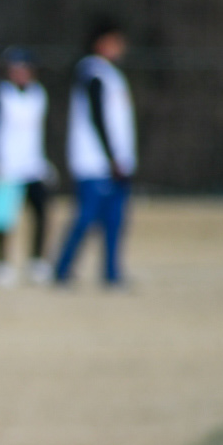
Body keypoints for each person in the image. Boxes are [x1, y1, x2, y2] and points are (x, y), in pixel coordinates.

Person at [54, 20, 136, 288]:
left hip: (117, 162)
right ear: (101, 43)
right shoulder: (92, 72)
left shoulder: (112, 75)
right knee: (86, 217)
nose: (121, 47)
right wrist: (112, 156)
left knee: (115, 220)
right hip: (94, 161)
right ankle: (62, 269)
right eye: (115, 41)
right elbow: (97, 117)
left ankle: (112, 273)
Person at [0, 46, 53, 287]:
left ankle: (37, 261)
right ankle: (0, 263)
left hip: (33, 165)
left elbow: (42, 132)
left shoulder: (39, 95)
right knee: (2, 217)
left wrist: (45, 161)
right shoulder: (1, 95)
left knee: (41, 214)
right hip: (6, 165)